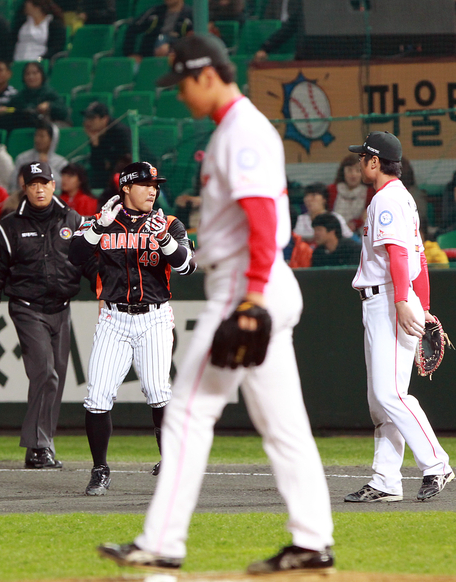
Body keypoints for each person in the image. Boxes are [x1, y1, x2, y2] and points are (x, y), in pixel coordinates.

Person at [98, 33, 334, 574]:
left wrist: (250, 299)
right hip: (257, 284)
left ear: (205, 74)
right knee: (283, 424)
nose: (178, 94)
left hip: (245, 286)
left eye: (181, 81)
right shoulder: (235, 127)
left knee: (185, 411)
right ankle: (311, 540)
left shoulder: (242, 130)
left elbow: (263, 221)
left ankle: (161, 542)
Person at [68, 161, 196, 495]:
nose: (153, 190)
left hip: (154, 316)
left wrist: (164, 239)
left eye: (156, 185)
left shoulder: (168, 221)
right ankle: (100, 470)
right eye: (145, 184)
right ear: (126, 187)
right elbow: (74, 252)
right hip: (114, 317)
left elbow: (187, 266)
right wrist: (98, 228)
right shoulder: (104, 220)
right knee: (97, 395)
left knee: (157, 390)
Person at [344, 131, 453, 503]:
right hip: (394, 298)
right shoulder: (403, 199)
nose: (360, 164)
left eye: (363, 158)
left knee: (390, 393)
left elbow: (400, 255)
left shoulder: (386, 199)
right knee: (381, 400)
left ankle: (436, 464)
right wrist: (421, 305)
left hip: (389, 299)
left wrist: (406, 302)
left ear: (375, 162)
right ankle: (386, 481)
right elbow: (420, 258)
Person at [0, 161, 97, 469]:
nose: (40, 188)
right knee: (45, 372)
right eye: (33, 184)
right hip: (27, 308)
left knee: (54, 379)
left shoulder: (74, 219)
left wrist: (105, 293)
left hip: (62, 308)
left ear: (54, 185)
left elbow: (91, 263)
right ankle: (38, 446)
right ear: (25, 189)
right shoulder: (9, 226)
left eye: (44, 182)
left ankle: (42, 446)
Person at [0, 61, 69, 131]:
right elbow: (12, 109)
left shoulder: (50, 93)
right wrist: (4, 109)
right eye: (27, 74)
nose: (31, 77)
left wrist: (49, 106)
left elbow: (63, 111)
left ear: (42, 75)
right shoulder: (19, 97)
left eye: (35, 73)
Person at [82, 102, 132, 189]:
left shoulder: (120, 132)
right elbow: (98, 167)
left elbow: (125, 160)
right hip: (110, 176)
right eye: (87, 118)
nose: (87, 122)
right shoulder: (97, 134)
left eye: (92, 118)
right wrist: (95, 144)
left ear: (104, 118)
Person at [123, 0, 193, 61]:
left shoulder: (191, 15)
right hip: (148, 58)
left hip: (177, 58)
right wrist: (131, 53)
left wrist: (171, 48)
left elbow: (193, 40)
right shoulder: (154, 12)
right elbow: (132, 29)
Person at [10, 120, 68, 190]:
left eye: (42, 136)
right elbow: (13, 183)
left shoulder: (61, 162)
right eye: (36, 135)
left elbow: (61, 186)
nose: (37, 139)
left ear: (51, 140)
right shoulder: (23, 158)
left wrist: (46, 166)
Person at [327, 153, 374, 235]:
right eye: (349, 170)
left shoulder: (370, 192)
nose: (353, 175)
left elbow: (368, 215)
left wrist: (355, 224)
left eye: (357, 171)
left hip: (359, 233)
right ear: (343, 172)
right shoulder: (332, 190)